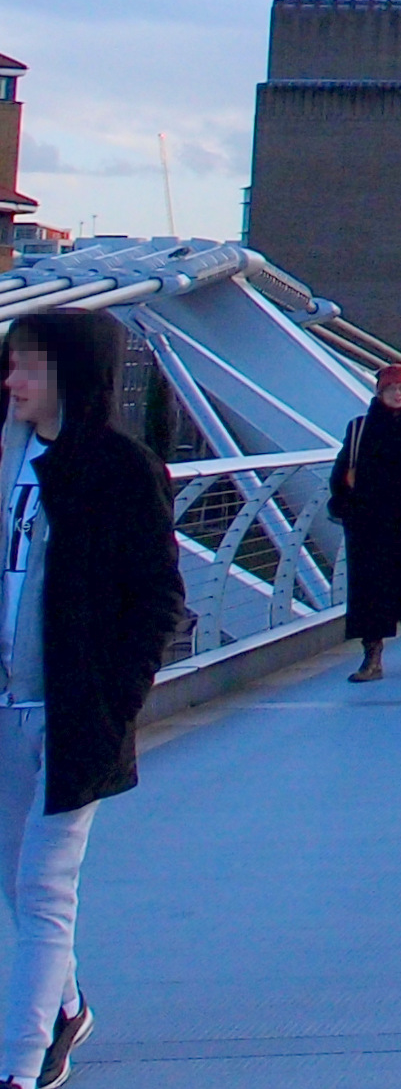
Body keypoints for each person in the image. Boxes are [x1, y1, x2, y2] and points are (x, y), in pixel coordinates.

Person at [0, 311, 184, 1089]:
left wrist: (117, 706)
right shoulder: (6, 456)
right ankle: (68, 1004)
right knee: (14, 882)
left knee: (44, 887)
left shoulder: (119, 470)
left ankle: (20, 1062)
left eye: (29, 368)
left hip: (75, 715)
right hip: (6, 709)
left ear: (71, 376)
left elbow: (157, 601)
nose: (12, 381)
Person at [329, 363, 401, 681]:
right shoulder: (361, 428)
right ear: (380, 392)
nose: (399, 394)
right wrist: (346, 507)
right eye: (392, 389)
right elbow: (342, 470)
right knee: (368, 591)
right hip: (368, 524)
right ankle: (372, 656)